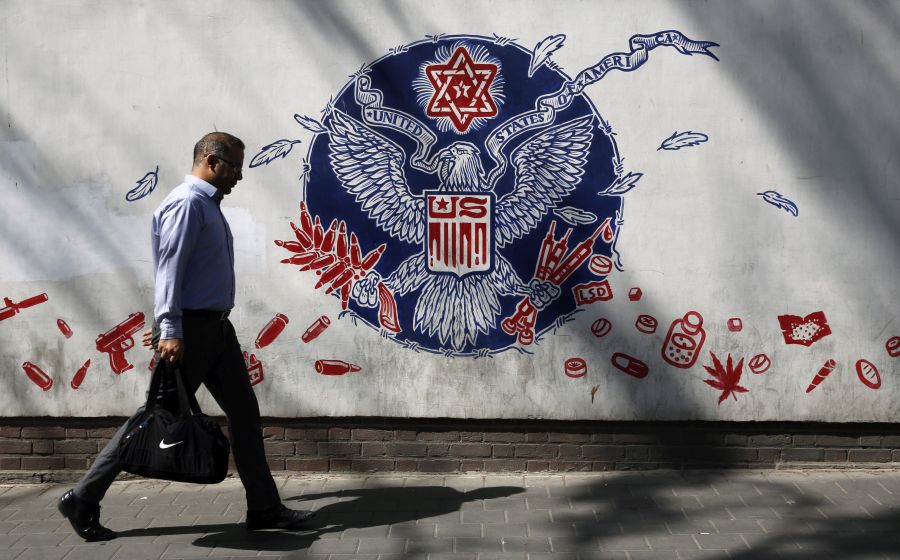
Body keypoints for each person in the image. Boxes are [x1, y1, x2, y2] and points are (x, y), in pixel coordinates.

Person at [58, 132, 314, 541]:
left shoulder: (206, 206)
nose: (239, 176)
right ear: (212, 162)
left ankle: (264, 507)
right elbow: (169, 272)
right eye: (234, 167)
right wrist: (171, 328)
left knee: (245, 414)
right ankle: (83, 498)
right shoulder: (187, 204)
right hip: (192, 332)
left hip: (215, 329)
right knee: (155, 419)